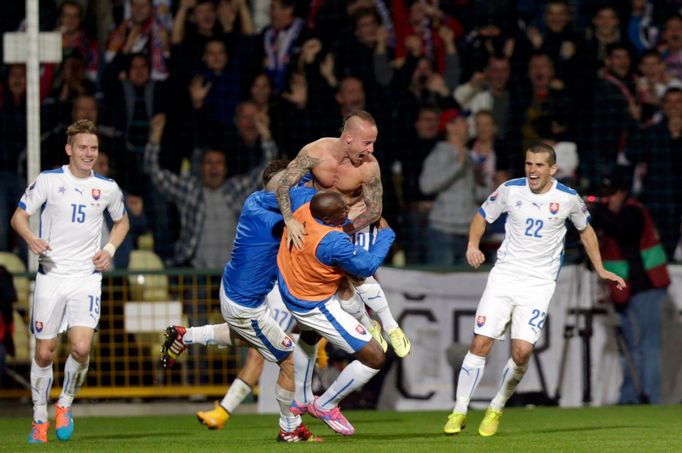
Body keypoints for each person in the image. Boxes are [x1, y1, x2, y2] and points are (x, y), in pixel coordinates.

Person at [442, 143, 625, 437]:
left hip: (538, 284)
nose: (532, 171)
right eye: (529, 164)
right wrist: (472, 245)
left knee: (522, 351)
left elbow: (586, 231)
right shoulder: (510, 190)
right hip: (504, 277)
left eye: (539, 165)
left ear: (553, 169)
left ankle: (497, 406)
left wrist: (601, 268)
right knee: (480, 343)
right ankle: (459, 410)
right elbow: (481, 216)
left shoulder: (567, 199)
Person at [160, 160, 321, 442]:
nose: (286, 189)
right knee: (288, 361)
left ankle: (186, 336)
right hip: (246, 305)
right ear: (269, 184)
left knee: (250, 340)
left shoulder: (259, 201)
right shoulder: (261, 210)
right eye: (282, 184)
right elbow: (303, 214)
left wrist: (313, 169)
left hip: (238, 294)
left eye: (290, 184)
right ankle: (289, 429)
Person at [11, 119, 130, 444]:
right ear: (69, 149)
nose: (89, 153)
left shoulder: (107, 187)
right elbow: (18, 216)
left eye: (93, 148)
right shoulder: (49, 181)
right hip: (51, 276)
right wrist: (32, 238)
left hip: (86, 278)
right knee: (46, 352)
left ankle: (64, 404)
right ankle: (39, 419)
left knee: (80, 347)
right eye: (83, 148)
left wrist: (109, 248)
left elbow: (122, 222)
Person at [275, 110, 411, 357]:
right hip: (322, 224)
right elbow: (284, 185)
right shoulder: (315, 152)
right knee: (341, 286)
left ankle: (391, 326)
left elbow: (374, 210)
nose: (371, 149)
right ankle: (370, 326)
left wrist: (345, 229)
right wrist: (290, 219)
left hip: (355, 221)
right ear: (348, 138)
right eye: (366, 143)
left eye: (373, 143)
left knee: (360, 273)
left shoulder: (369, 167)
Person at [278, 191, 395, 436]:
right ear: (329, 219)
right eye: (342, 210)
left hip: (291, 290)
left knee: (309, 338)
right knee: (375, 357)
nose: (347, 211)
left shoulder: (300, 213)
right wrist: (386, 236)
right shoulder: (332, 241)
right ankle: (325, 404)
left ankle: (301, 396)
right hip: (316, 306)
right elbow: (367, 267)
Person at [591, 175, 670, 404]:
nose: (609, 199)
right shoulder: (611, 214)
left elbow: (624, 230)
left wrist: (596, 216)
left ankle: (650, 399)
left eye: (613, 193)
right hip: (625, 290)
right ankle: (631, 397)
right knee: (629, 348)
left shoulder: (634, 212)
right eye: (606, 194)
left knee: (648, 345)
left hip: (646, 286)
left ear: (624, 192)